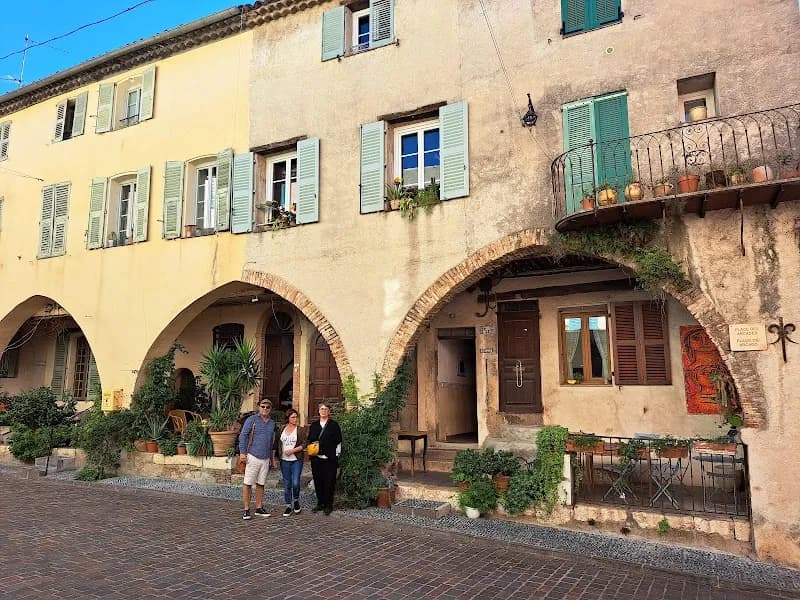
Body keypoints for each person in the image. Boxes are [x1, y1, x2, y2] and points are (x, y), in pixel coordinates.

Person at [238, 400, 277, 520]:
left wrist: (272, 458)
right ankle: (246, 509)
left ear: (270, 409)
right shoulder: (252, 420)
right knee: (248, 483)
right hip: (253, 456)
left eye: (268, 407)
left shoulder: (271, 423)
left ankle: (259, 508)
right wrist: (242, 453)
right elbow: (243, 435)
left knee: (261, 483)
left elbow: (271, 442)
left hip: (265, 458)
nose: (265, 408)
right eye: (263, 406)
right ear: (259, 407)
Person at [307, 402, 342, 515]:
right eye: (322, 409)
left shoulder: (334, 425)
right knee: (318, 481)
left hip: (330, 458)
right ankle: (320, 503)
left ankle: (328, 504)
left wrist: (336, 454)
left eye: (326, 409)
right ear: (318, 411)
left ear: (329, 412)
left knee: (329, 482)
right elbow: (310, 438)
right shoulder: (314, 425)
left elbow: (338, 441)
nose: (323, 411)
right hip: (316, 458)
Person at [275, 408, 307, 517]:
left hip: (296, 460)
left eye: (296, 417)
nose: (295, 419)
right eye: (293, 417)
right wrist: (276, 457)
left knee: (296, 482)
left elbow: (304, 444)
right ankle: (288, 505)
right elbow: (277, 443)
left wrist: (292, 450)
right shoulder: (281, 429)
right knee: (287, 483)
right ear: (288, 418)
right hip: (284, 461)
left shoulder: (301, 430)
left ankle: (296, 500)